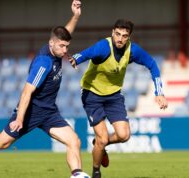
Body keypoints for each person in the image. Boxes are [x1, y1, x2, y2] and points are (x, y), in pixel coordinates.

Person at [0, 0, 88, 177]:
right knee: (0, 143)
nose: (65, 50)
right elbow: (26, 91)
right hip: (31, 111)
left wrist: (75, 16)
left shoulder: (57, 46)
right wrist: (20, 118)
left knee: (74, 141)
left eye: (67, 47)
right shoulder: (43, 62)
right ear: (51, 43)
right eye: (61, 46)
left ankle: (77, 174)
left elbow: (66, 33)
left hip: (49, 111)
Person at [69, 19, 168, 178]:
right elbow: (88, 53)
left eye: (124, 35)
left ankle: (100, 144)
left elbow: (152, 64)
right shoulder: (104, 47)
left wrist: (159, 92)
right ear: (112, 32)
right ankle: (96, 172)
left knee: (124, 135)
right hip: (92, 94)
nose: (120, 39)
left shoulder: (132, 50)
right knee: (101, 138)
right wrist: (76, 58)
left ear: (129, 37)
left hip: (113, 96)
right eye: (117, 34)